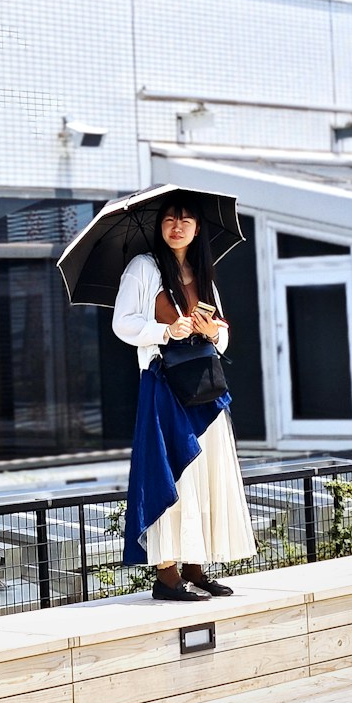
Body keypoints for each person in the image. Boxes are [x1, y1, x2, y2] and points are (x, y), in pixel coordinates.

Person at [113, 194, 256, 601]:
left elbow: (221, 334)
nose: (177, 227)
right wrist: (166, 331)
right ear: (160, 226)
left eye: (186, 220)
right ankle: (167, 575)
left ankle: (196, 568)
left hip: (205, 388)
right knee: (170, 474)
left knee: (204, 477)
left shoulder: (203, 273)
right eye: (170, 220)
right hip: (164, 384)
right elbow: (122, 323)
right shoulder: (143, 268)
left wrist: (211, 332)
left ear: (197, 229)